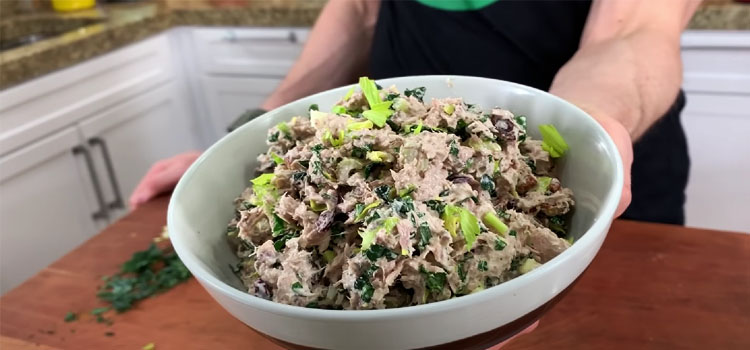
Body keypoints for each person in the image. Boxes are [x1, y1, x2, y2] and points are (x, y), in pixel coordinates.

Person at [130, 0, 699, 345]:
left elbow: (634, 29)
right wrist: (244, 136)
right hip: (392, 132)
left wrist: (583, 131)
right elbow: (360, 8)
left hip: (599, 190)